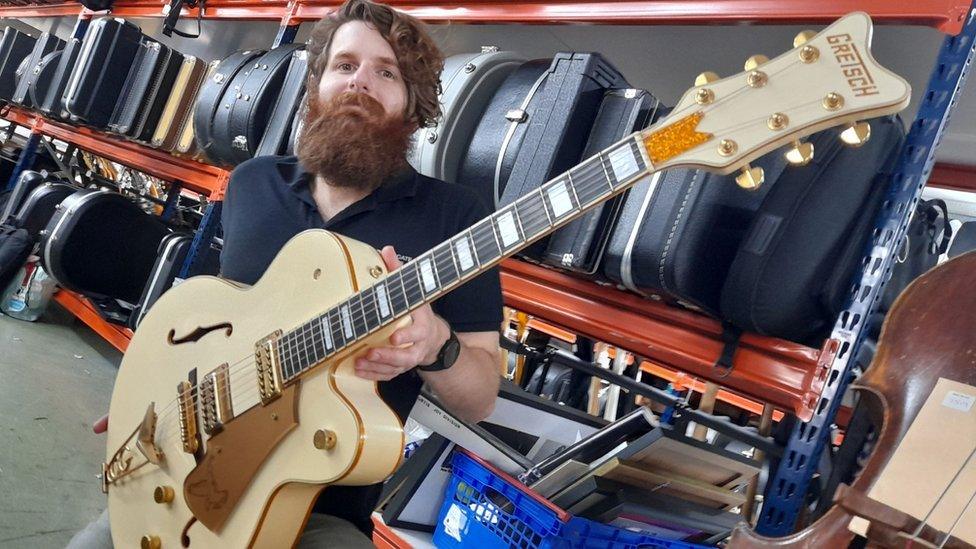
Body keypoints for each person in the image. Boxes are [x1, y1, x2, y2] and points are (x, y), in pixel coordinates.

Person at [67, 1, 503, 547]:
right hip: (187, 474)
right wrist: (151, 397)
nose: (359, 84)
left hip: (317, 510)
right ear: (315, 86)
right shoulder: (252, 183)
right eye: (344, 66)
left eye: (385, 72)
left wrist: (436, 344)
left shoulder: (456, 218)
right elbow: (207, 322)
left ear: (413, 104)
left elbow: (482, 397)